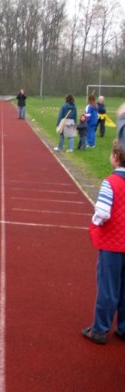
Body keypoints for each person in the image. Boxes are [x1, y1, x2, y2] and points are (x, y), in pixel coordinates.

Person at [82, 131, 125, 344]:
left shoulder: (111, 182)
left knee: (108, 287)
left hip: (113, 245)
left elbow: (103, 212)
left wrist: (95, 223)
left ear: (115, 157)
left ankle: (99, 329)